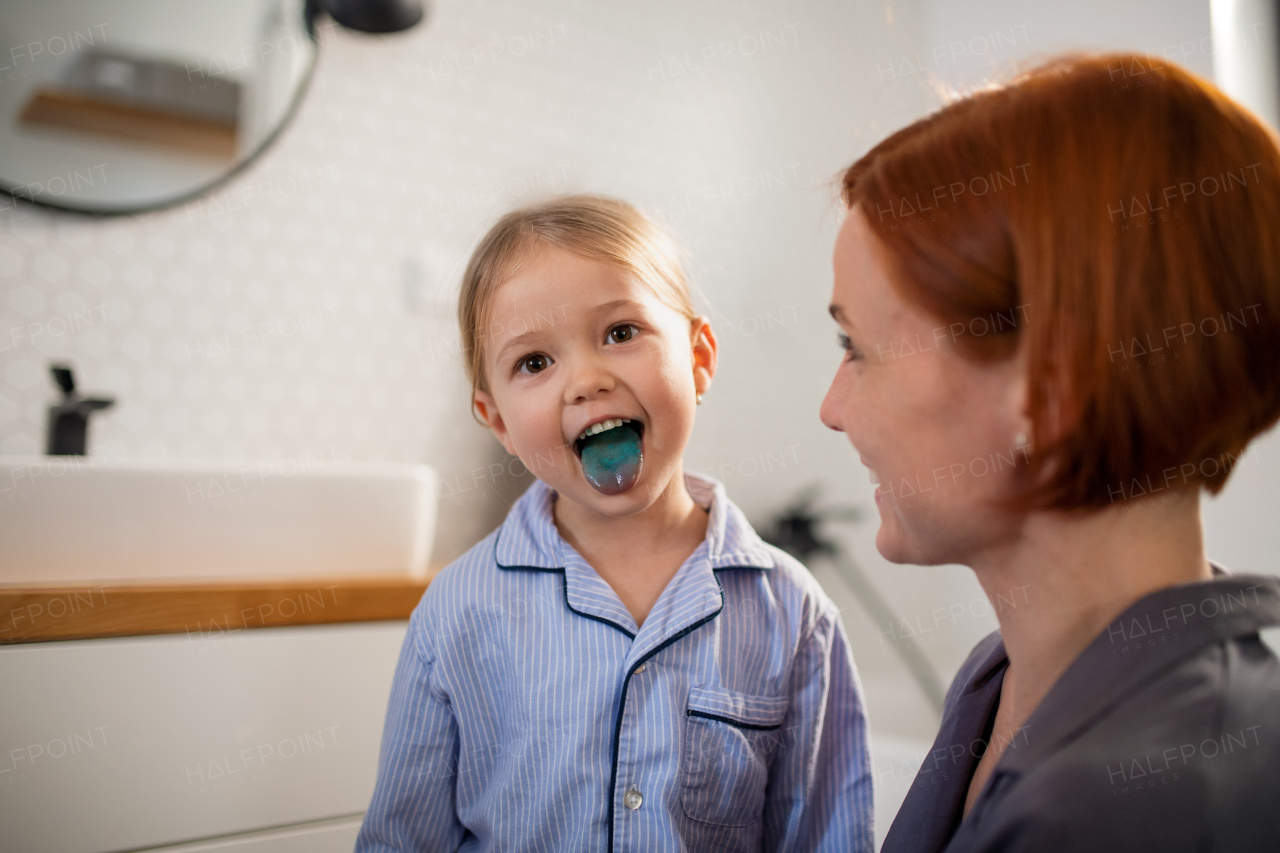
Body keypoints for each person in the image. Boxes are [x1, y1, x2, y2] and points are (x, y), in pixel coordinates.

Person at [821, 52, 1280, 851]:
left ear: (1048, 390)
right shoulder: (998, 676)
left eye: (857, 348)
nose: (832, 409)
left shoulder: (1134, 808)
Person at [356, 195, 874, 851]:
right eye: (535, 362)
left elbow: (828, 837)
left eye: (621, 333)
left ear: (700, 357)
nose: (587, 379)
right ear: (498, 422)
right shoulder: (456, 611)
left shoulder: (794, 614)